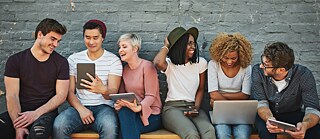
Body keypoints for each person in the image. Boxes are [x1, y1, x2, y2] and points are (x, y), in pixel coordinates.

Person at [53, 19, 122, 139]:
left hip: (104, 108)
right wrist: (81, 109)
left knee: (109, 127)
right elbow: (69, 92)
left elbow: (113, 92)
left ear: (103, 38)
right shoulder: (74, 59)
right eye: (87, 37)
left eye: (95, 37)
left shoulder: (113, 60)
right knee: (59, 125)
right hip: (79, 106)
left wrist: (103, 89)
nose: (91, 42)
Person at [0, 18, 69, 139]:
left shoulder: (61, 62)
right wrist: (18, 126)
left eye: (58, 41)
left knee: (38, 134)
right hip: (19, 112)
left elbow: (61, 95)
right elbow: (12, 96)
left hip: (45, 113)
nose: (56, 44)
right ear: (40, 34)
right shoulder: (15, 61)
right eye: (53, 39)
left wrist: (35, 114)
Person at [153, 27, 216, 139]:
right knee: (191, 134)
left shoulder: (200, 63)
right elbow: (157, 62)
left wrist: (196, 107)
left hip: (192, 106)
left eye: (194, 43)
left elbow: (201, 89)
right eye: (189, 44)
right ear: (180, 46)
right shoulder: (170, 64)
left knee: (209, 131)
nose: (193, 46)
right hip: (173, 109)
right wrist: (166, 46)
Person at [252, 42, 320, 139]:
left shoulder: (304, 75)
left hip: (292, 113)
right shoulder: (257, 72)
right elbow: (261, 103)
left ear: (281, 70)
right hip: (267, 113)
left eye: (265, 64)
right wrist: (269, 119)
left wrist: (305, 125)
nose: (261, 66)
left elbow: (312, 108)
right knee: (266, 131)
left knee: (315, 131)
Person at [115, 33, 162, 139]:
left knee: (125, 129)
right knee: (124, 113)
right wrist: (119, 104)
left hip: (151, 115)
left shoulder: (147, 66)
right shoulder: (125, 70)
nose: (120, 50)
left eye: (124, 47)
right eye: (120, 47)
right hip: (132, 113)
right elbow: (122, 95)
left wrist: (139, 108)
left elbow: (151, 96)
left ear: (135, 48)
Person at [208, 32, 253, 139]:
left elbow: (245, 95)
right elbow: (213, 94)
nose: (229, 62)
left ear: (240, 55)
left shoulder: (246, 67)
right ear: (219, 54)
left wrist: (221, 96)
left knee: (242, 136)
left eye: (233, 58)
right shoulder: (213, 65)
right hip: (221, 113)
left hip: (240, 113)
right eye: (225, 58)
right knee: (222, 135)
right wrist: (235, 101)